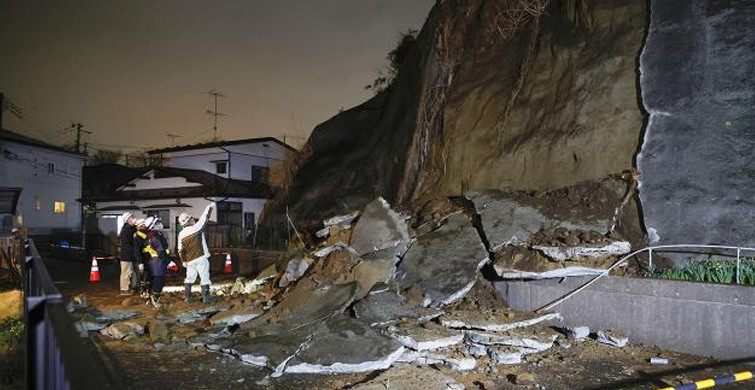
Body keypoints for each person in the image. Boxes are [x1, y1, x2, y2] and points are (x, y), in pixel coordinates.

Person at [178, 203, 216, 303]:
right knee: (204, 277)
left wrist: (183, 261)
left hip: (190, 260)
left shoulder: (181, 234)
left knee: (189, 278)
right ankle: (206, 297)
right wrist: (210, 206)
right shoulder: (196, 228)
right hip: (201, 257)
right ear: (189, 220)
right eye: (191, 218)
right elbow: (205, 217)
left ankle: (188, 297)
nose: (193, 219)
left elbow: (180, 250)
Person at [144, 218, 169, 308]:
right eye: (157, 223)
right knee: (159, 282)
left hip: (155, 263)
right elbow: (161, 251)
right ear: (152, 225)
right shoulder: (156, 236)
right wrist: (169, 261)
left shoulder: (152, 235)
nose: (160, 224)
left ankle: (151, 300)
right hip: (158, 263)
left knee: (154, 282)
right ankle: (155, 300)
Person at [118, 213, 137, 295]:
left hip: (128, 254)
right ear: (127, 220)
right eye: (131, 218)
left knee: (129, 272)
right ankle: (124, 289)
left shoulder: (128, 228)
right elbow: (130, 241)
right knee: (125, 272)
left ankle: (127, 288)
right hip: (126, 254)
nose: (133, 219)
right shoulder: (127, 229)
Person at [132, 218, 151, 296]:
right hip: (145, 259)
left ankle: (144, 291)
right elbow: (137, 250)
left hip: (145, 259)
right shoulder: (141, 235)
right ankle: (143, 291)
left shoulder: (141, 235)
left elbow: (138, 250)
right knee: (143, 276)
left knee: (143, 276)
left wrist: (140, 262)